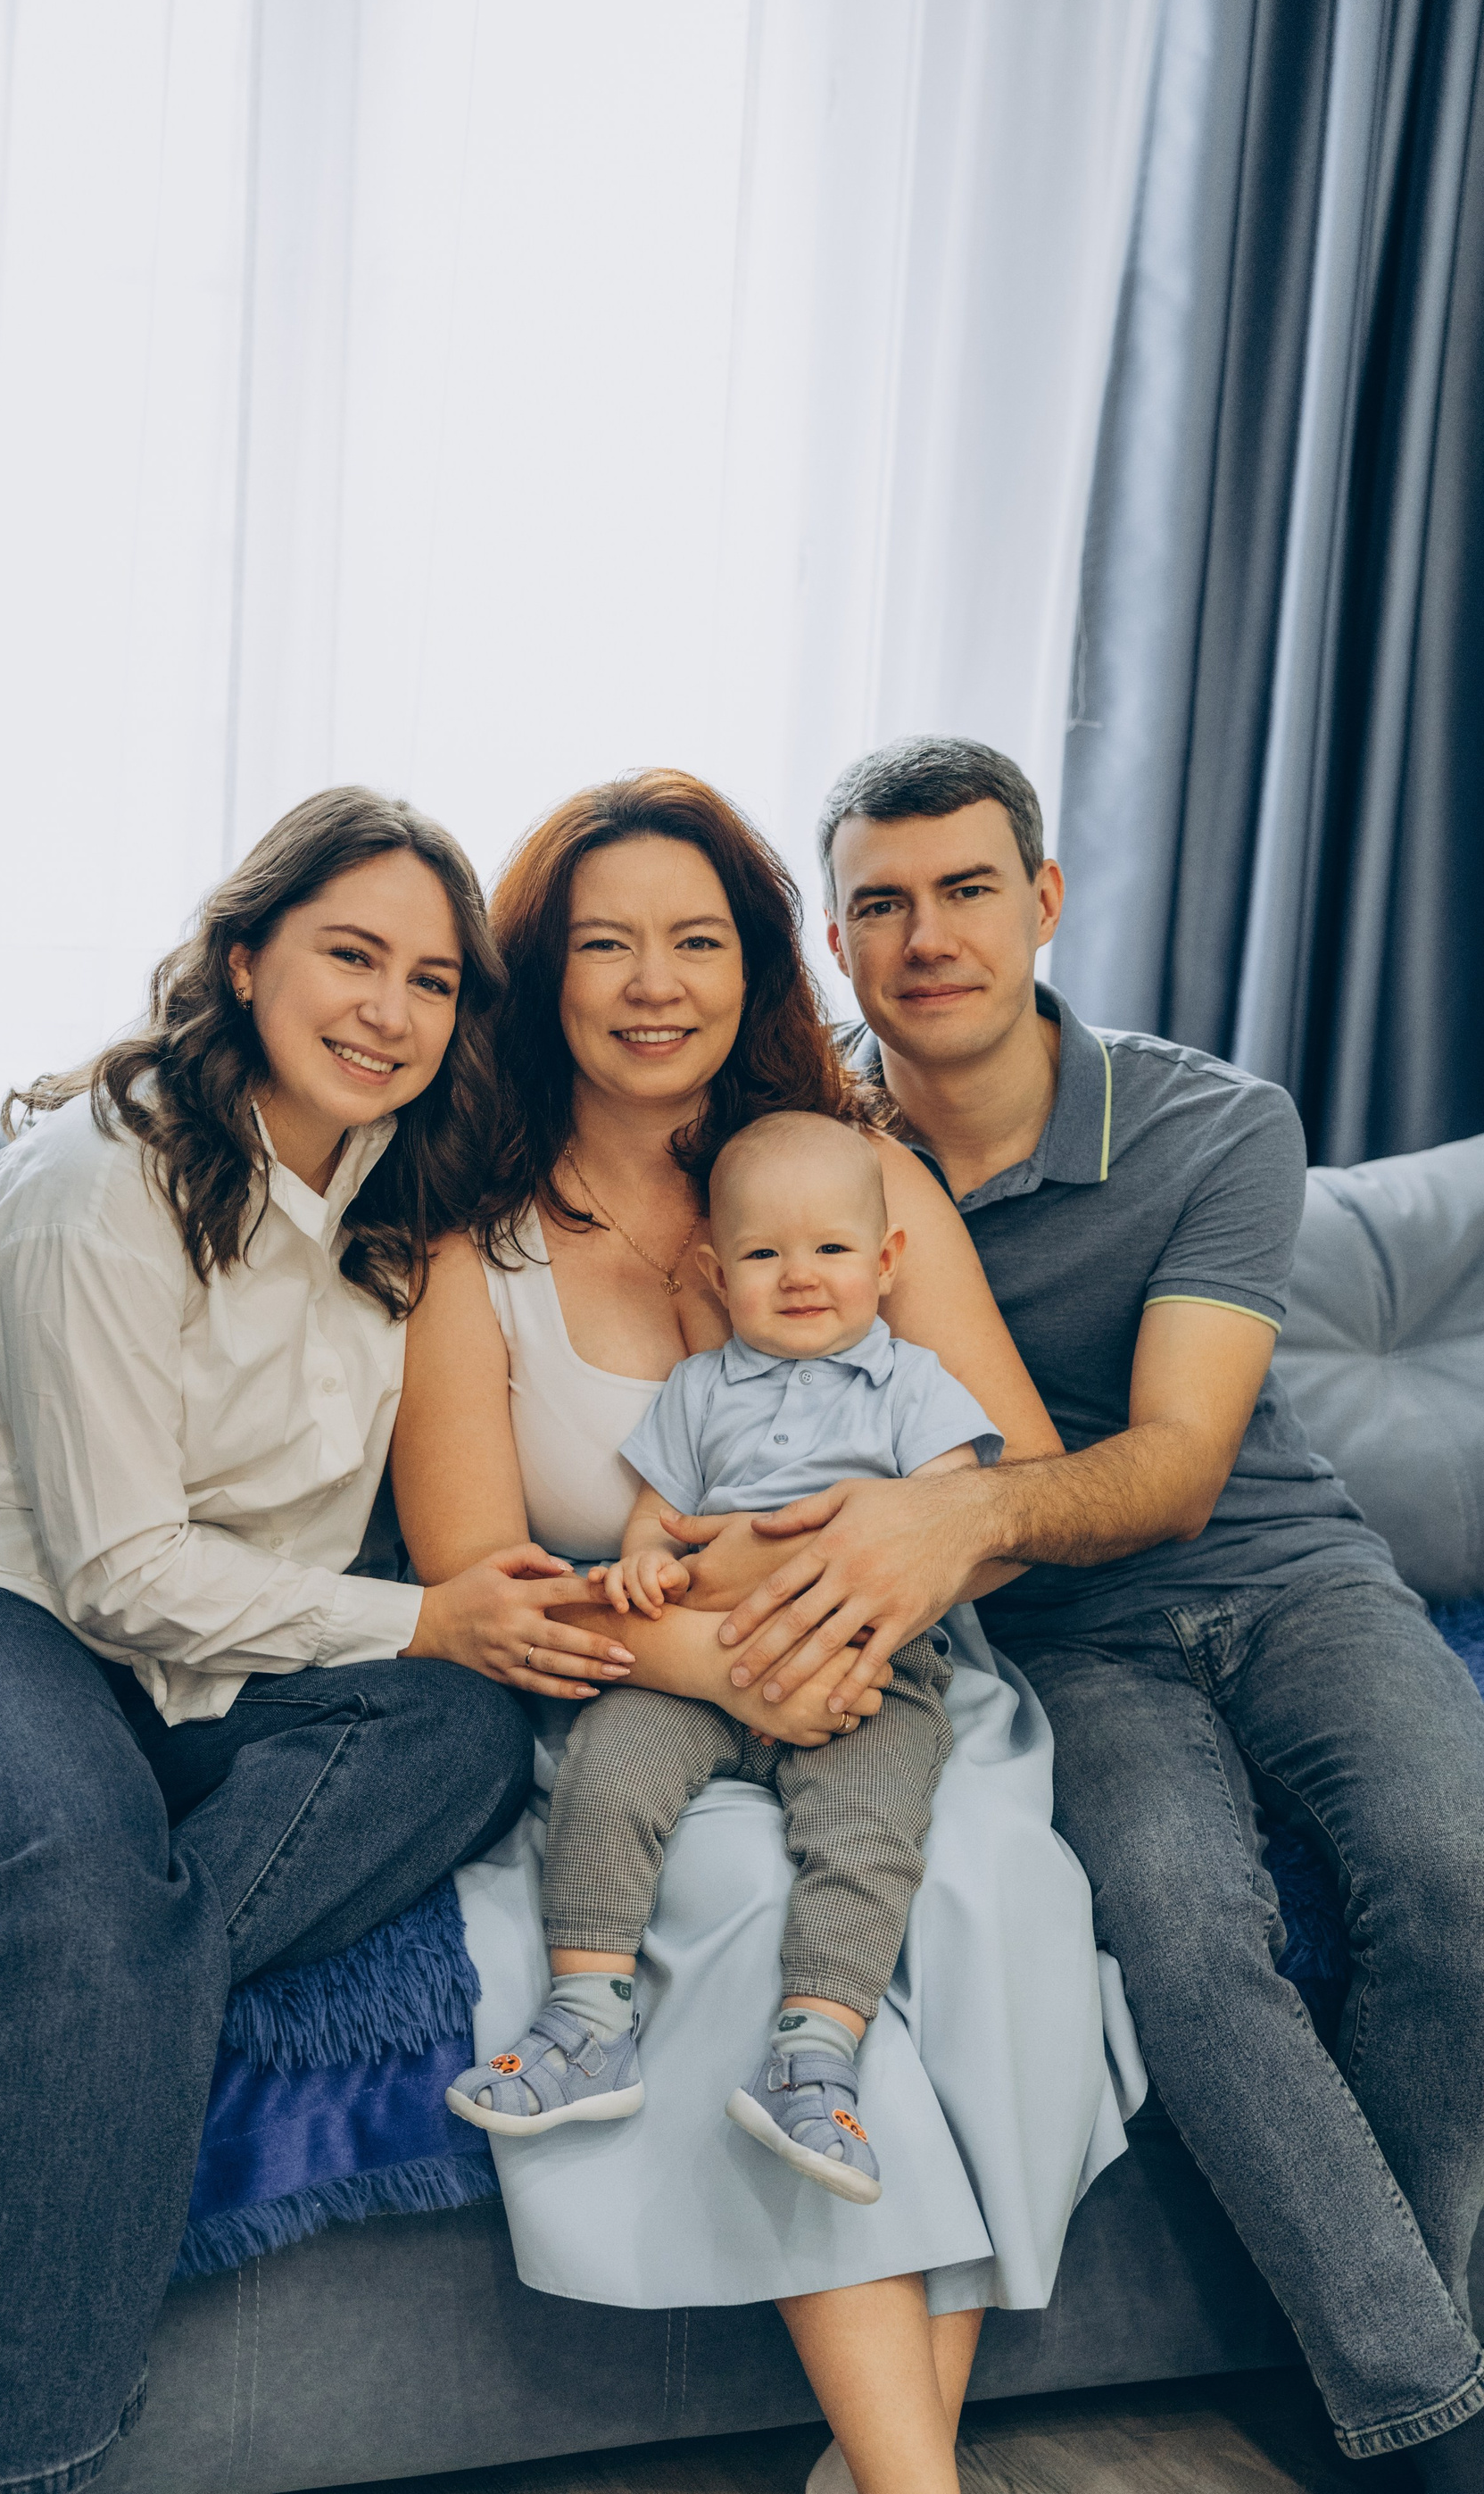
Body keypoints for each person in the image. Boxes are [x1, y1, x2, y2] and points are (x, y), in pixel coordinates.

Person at [0, 790, 603, 2494]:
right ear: (243, 959)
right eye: (351, 956)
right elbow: (118, 1571)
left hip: (199, 1652)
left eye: (432, 981)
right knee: (83, 1884)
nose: (389, 1010)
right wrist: (426, 1613)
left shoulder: (402, 1203)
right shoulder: (101, 1178)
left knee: (460, 1733)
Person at [710, 734, 1484, 2485]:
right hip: (1057, 1638)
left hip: (1284, 1571)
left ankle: (1398, 2369)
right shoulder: (804, 1153)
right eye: (880, 905)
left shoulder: (1216, 1124)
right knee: (1183, 1935)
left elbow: (1182, 1469)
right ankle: (1430, 2419)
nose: (927, 938)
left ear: (1044, 899)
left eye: (968, 890)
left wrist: (961, 1506)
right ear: (834, 939)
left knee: (1463, 1872)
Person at [392, 771, 1141, 2494]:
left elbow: (1013, 1496)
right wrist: (715, 1656)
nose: (656, 983)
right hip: (627, 1698)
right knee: (738, 1903)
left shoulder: (860, 1179)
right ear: (542, 976)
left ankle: (885, 2472)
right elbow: (479, 1577)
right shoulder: (471, 1247)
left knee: (987, 1894)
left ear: (757, 965)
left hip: (895, 1677)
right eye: (606, 945)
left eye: (699, 941)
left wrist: (878, 1586)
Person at [445, 1110, 1002, 2211]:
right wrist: (649, 1568)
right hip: (702, 1653)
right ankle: (586, 2021)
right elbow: (656, 1521)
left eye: (832, 1249)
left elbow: (950, 1524)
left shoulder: (915, 1385)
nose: (800, 1276)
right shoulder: (699, 1389)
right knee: (607, 1772)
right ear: (715, 1272)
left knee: (869, 1831)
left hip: (865, 1666)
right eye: (762, 1254)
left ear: (887, 1261)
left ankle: (816, 2056)